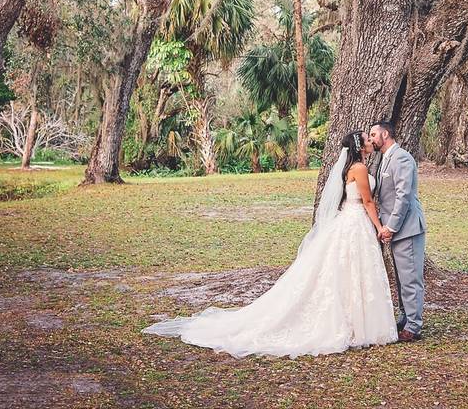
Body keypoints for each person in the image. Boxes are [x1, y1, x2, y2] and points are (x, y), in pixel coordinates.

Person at [141, 131, 398, 358]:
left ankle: (356, 322)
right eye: (367, 139)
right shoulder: (360, 169)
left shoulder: (352, 167)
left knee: (348, 273)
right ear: (359, 146)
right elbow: (367, 202)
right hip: (355, 223)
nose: (370, 142)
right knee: (351, 272)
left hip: (350, 221)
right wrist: (379, 228)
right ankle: (355, 324)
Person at [368, 121, 427, 342]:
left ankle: (414, 326)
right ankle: (405, 316)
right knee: (403, 278)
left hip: (407, 229)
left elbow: (403, 196)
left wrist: (390, 227)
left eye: (374, 134)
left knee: (411, 278)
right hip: (397, 229)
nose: (372, 138)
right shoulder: (385, 158)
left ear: (385, 134)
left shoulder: (401, 157)